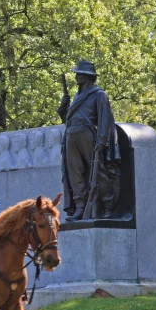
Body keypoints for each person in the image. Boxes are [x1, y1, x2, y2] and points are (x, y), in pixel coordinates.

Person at [58, 60, 120, 220]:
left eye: (79, 74)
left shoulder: (99, 95)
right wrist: (63, 109)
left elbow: (105, 120)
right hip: (71, 135)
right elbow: (68, 119)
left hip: (88, 135)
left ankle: (108, 205)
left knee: (98, 171)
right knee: (75, 173)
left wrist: (101, 142)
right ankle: (80, 206)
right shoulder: (77, 95)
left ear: (87, 76)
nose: (76, 76)